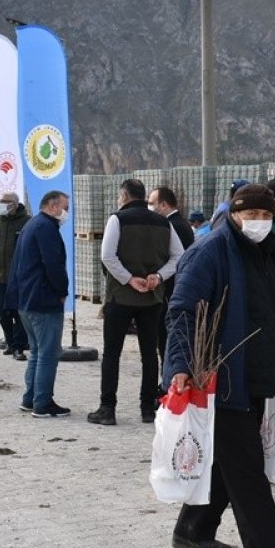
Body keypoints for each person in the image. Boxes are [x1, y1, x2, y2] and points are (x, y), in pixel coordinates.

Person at [163, 184, 275, 548]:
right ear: (234, 214)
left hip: (260, 374)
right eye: (250, 215)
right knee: (245, 464)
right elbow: (182, 312)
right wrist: (179, 365)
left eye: (264, 215)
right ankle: (267, 547)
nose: (258, 222)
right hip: (223, 376)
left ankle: (192, 530)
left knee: (227, 460)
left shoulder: (271, 251)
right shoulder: (210, 252)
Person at [89, 179, 184, 426]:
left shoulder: (117, 219)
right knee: (150, 355)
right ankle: (147, 408)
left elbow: (107, 256)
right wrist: (159, 276)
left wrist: (129, 279)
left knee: (112, 353)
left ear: (124, 195)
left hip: (120, 297)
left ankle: (107, 408)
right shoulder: (164, 223)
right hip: (152, 297)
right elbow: (180, 256)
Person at [7, 190, 72, 418]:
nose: (67, 213)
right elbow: (53, 264)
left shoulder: (32, 225)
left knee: (36, 351)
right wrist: (62, 291)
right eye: (65, 207)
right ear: (53, 206)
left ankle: (30, 397)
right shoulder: (46, 228)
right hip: (43, 300)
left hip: (26, 299)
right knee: (48, 353)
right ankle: (43, 403)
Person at [148, 186, 195, 396]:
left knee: (166, 340)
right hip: (176, 288)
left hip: (171, 291)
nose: (150, 207)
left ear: (164, 205)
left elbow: (175, 259)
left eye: (152, 203)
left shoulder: (171, 225)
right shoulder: (182, 224)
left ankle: (166, 385)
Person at [0, 192, 31, 361]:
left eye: (4, 202)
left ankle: (19, 347)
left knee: (19, 313)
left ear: (14, 204)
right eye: (0, 202)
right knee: (3, 313)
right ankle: (10, 342)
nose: (1, 205)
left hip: (19, 277)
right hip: (0, 275)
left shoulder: (26, 222)